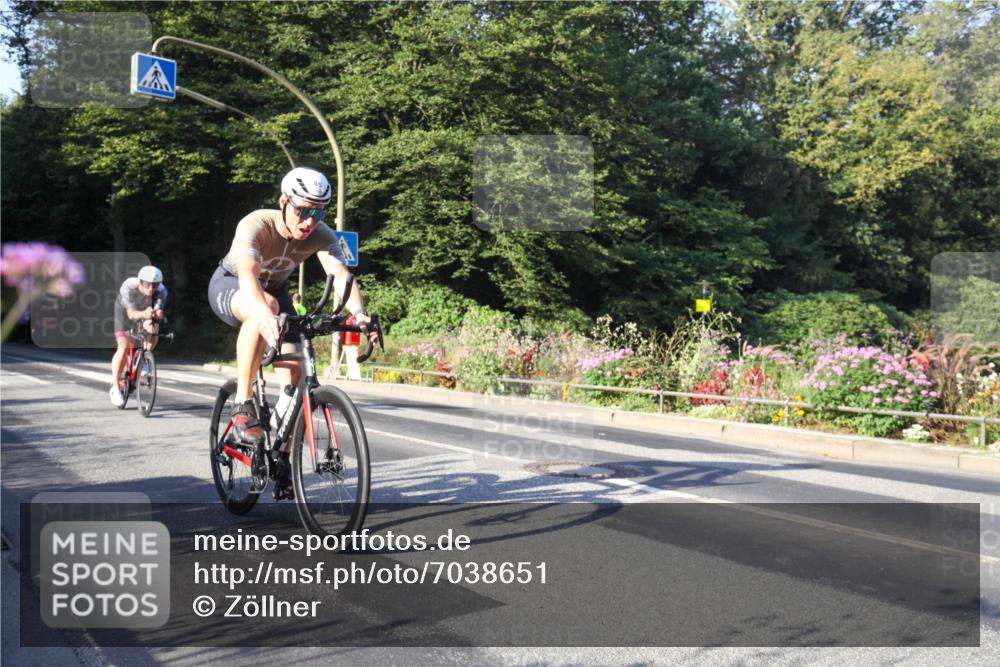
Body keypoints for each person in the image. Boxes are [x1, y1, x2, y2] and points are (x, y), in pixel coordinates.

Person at [208, 166, 377, 499]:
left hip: (276, 290)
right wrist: (262, 313)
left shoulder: (322, 234)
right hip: (232, 284)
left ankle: (281, 454)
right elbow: (248, 275)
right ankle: (242, 402)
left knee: (298, 366)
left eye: (319, 212)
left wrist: (359, 314)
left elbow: (342, 275)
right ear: (283, 202)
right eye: (303, 211)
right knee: (267, 306)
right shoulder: (256, 224)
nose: (310, 221)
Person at [110, 265, 167, 407]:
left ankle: (145, 360)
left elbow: (157, 309)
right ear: (140, 281)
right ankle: (115, 388)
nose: (151, 288)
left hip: (145, 311)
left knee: (154, 328)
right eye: (147, 284)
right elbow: (131, 314)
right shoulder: (128, 287)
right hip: (124, 312)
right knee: (123, 347)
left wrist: (158, 314)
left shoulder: (162, 291)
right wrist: (145, 314)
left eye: (155, 285)